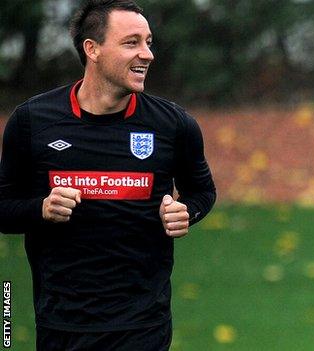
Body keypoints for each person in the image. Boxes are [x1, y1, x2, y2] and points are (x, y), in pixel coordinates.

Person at [0, 0, 216, 349]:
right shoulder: (32, 121)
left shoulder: (174, 125)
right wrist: (41, 209)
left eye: (148, 42)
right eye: (132, 42)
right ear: (93, 49)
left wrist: (186, 211)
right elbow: (3, 207)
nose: (147, 54)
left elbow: (203, 192)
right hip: (61, 324)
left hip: (143, 324)